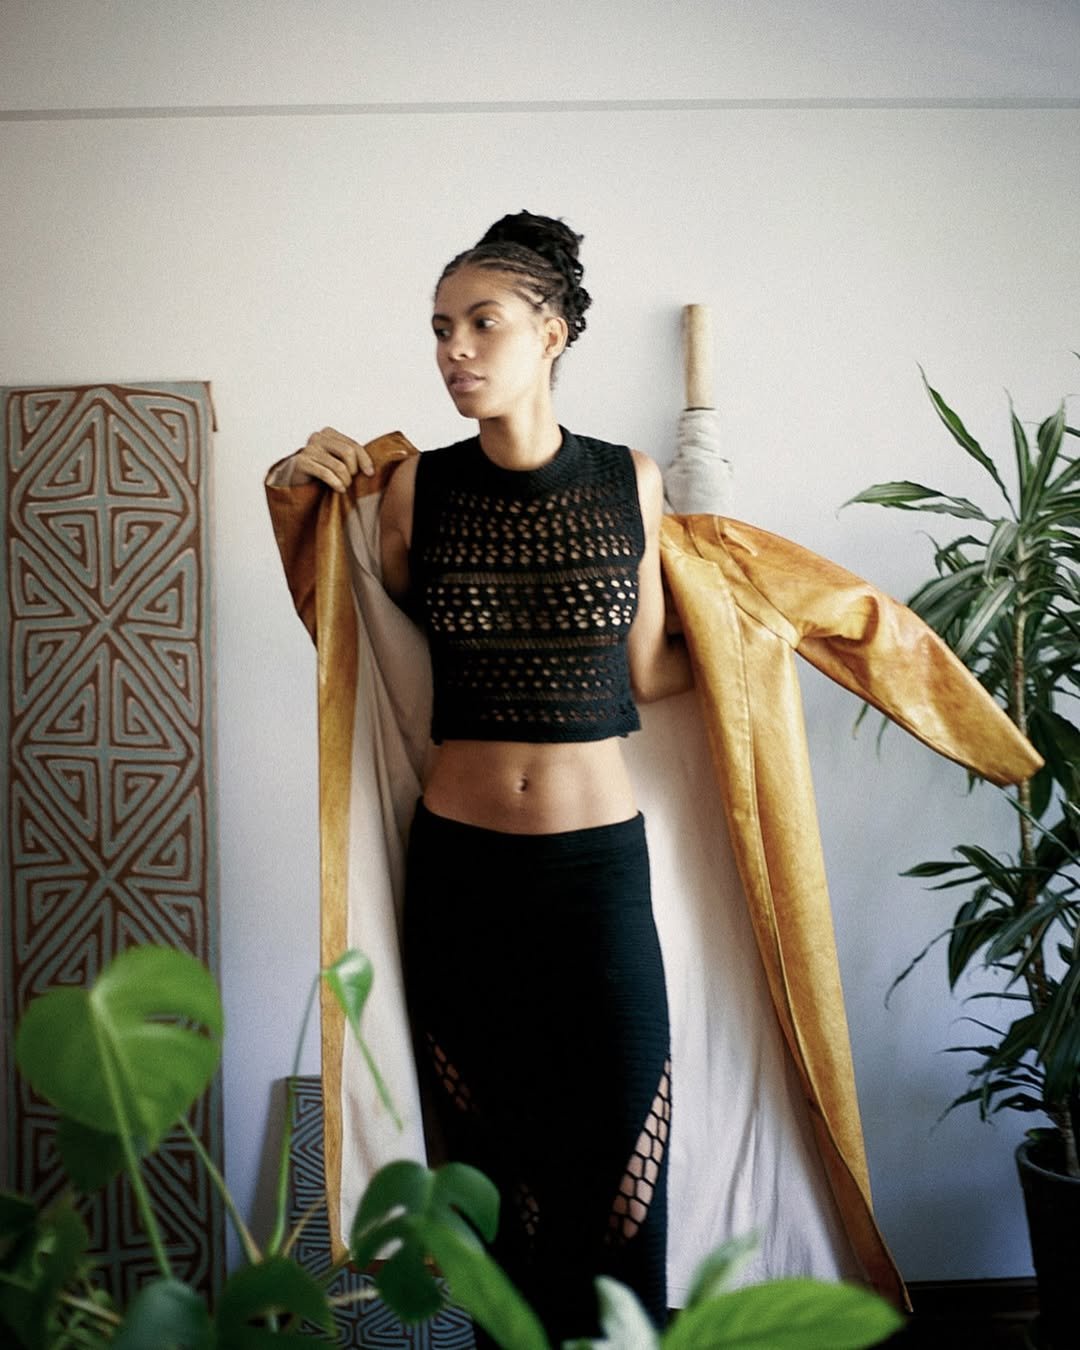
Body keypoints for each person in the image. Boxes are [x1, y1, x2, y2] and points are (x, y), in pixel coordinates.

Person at [284, 211, 693, 1341]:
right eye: (439, 328)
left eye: (483, 322)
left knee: (623, 1180)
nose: (454, 349)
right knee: (493, 1183)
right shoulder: (416, 490)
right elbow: (349, 624)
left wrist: (762, 646)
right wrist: (301, 488)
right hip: (461, 878)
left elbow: (649, 670)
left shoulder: (630, 480)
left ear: (552, 333)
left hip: (598, 876)